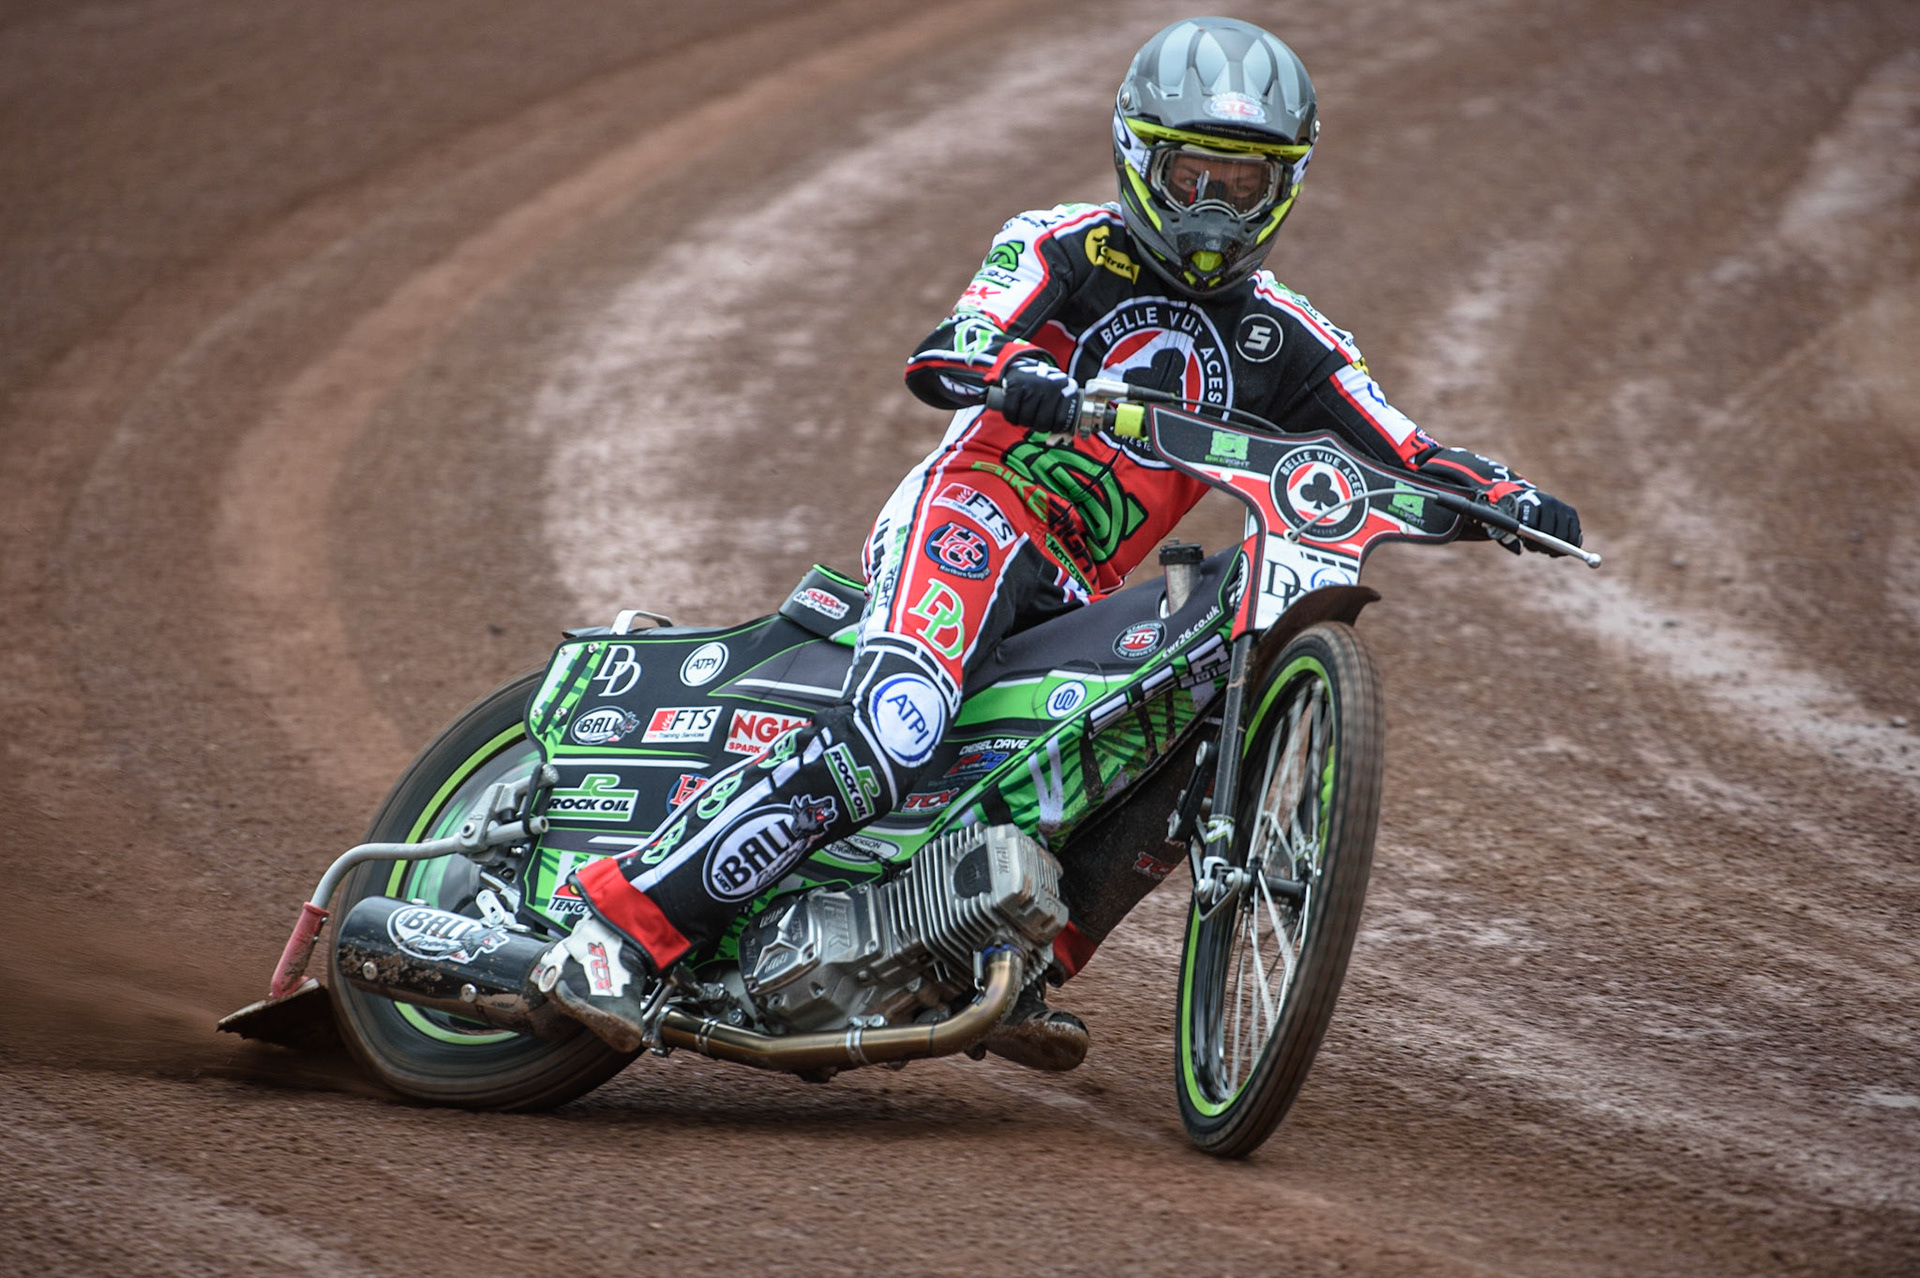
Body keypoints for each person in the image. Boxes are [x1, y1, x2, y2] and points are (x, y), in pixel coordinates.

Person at [533, 16, 1581, 1069]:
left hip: (1078, 587)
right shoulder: (1063, 247)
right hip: (975, 515)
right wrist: (1014, 371)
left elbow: (1406, 449)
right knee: (897, 724)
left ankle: (1012, 957)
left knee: (1181, 721)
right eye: (1192, 176)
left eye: (1243, 184)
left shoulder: (1288, 337)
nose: (1213, 209)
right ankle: (618, 930)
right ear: (1138, 159)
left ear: (1285, 187)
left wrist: (1508, 497)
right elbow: (953, 344)